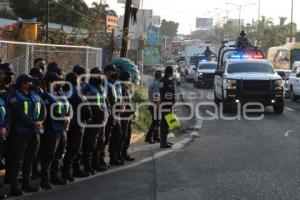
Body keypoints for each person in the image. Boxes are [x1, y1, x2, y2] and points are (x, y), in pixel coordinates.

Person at [7, 74, 46, 196]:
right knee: (18, 160)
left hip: (34, 132)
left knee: (29, 159)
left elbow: (43, 109)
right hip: (20, 133)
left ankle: (26, 183)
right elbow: (19, 115)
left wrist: (40, 121)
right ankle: (14, 187)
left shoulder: (35, 95)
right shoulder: (15, 97)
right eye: (30, 82)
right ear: (23, 83)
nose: (32, 84)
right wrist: (34, 123)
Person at [40, 72, 71, 189]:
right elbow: (48, 111)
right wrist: (63, 118)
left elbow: (68, 108)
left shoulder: (61, 94)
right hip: (51, 129)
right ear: (50, 83)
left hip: (62, 129)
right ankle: (45, 180)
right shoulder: (46, 96)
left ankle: (55, 176)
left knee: (58, 154)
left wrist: (68, 117)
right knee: (48, 155)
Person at [62, 72, 92, 182]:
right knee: (74, 148)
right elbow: (84, 105)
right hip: (77, 123)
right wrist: (89, 116)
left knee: (71, 148)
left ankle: (71, 169)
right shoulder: (77, 90)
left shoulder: (64, 91)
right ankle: (69, 171)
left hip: (70, 123)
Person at [82, 68, 108, 175]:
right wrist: (98, 112)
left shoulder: (100, 88)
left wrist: (107, 111)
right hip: (93, 120)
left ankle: (96, 164)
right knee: (90, 143)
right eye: (98, 76)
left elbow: (104, 102)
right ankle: (88, 166)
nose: (100, 78)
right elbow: (90, 104)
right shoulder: (88, 88)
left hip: (102, 119)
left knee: (100, 142)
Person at [104, 64, 124, 166]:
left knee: (117, 135)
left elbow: (117, 97)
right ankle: (102, 159)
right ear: (108, 71)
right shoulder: (105, 83)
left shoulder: (114, 83)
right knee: (106, 137)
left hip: (117, 113)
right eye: (113, 71)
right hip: (110, 113)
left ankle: (114, 157)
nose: (115, 73)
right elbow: (107, 99)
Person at [119, 71, 135, 162]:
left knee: (127, 135)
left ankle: (124, 153)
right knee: (123, 135)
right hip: (124, 115)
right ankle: (120, 153)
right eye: (129, 79)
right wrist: (132, 110)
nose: (130, 80)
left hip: (128, 115)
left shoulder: (125, 88)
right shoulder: (121, 88)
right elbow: (124, 102)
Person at [159, 66, 176, 149]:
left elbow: (161, 91)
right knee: (165, 124)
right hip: (167, 104)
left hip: (164, 103)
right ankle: (163, 142)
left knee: (166, 123)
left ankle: (164, 140)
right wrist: (173, 102)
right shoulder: (168, 80)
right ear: (171, 72)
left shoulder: (162, 80)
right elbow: (169, 93)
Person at [145, 70, 162, 144]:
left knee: (157, 121)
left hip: (152, 104)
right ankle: (149, 137)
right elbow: (156, 95)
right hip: (155, 105)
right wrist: (158, 106)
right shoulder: (156, 84)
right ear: (160, 76)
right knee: (155, 122)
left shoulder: (153, 83)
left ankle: (156, 136)